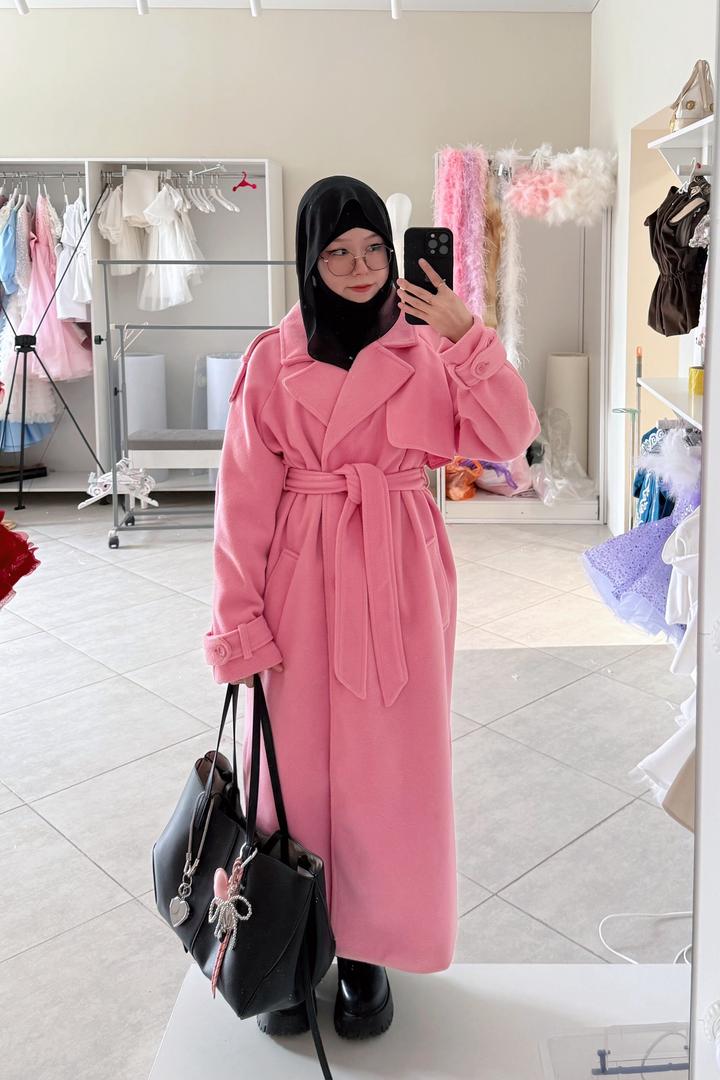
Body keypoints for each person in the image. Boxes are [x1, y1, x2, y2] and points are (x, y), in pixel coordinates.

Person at [203, 175, 541, 1041]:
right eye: (337, 252)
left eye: (373, 250)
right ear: (308, 260)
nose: (359, 268)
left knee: (394, 774)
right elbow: (241, 507)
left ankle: (368, 951)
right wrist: (240, 623)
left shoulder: (428, 349)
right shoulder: (271, 360)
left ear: (395, 254)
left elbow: (510, 439)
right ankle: (289, 944)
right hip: (300, 578)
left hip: (398, 573)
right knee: (289, 772)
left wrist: (466, 335)